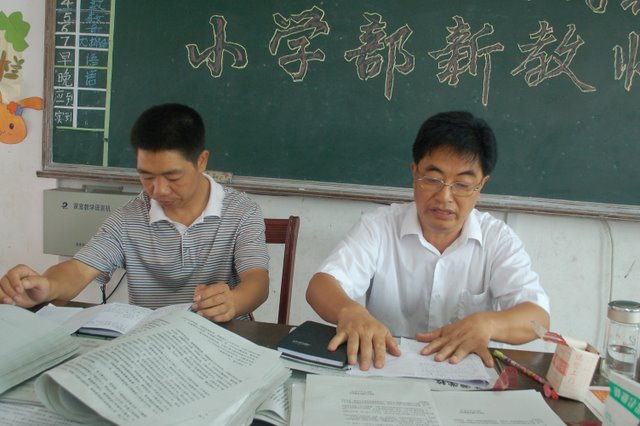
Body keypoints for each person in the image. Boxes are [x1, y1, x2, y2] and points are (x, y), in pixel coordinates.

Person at [306, 111, 550, 371]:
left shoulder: (497, 239)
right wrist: (349, 311)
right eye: (433, 180)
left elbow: (537, 318)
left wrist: (488, 324)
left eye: (462, 184)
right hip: (385, 367)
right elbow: (321, 286)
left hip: (465, 373)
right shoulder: (379, 226)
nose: (445, 197)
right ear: (415, 173)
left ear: (481, 185)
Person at [0, 103, 269, 322]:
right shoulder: (129, 218)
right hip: (149, 342)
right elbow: (79, 270)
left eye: (172, 177)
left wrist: (233, 302)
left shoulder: (241, 211)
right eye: (147, 176)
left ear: (201, 161)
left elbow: (257, 280)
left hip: (222, 336)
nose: (158, 190)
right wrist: (46, 286)